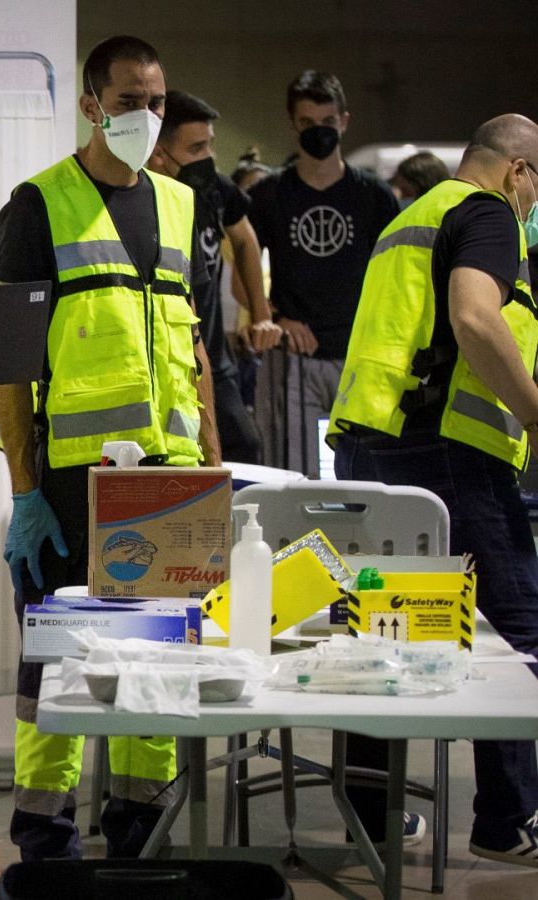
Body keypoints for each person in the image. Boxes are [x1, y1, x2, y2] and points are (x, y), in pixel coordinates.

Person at [0, 35, 222, 861]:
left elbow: (194, 351)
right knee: (57, 667)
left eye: (157, 100)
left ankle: (140, 829)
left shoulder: (181, 201)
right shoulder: (39, 203)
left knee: (155, 666)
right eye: (129, 101)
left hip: (169, 479)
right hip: (71, 483)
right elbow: (12, 367)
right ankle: (44, 836)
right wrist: (22, 488)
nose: (146, 115)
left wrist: (210, 466)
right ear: (91, 104)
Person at [327, 114, 538, 866]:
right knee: (517, 631)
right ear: (517, 172)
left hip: (370, 445)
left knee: (383, 632)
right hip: (446, 453)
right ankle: (508, 822)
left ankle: (371, 819)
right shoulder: (486, 213)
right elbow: (475, 317)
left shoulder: (410, 218)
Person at [247, 70, 399, 476]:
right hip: (295, 356)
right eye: (308, 123)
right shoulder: (270, 194)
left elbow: (394, 276)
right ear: (293, 124)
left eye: (328, 123)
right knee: (296, 476)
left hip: (359, 353)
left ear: (344, 121)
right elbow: (241, 273)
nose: (320, 132)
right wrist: (275, 318)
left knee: (367, 473)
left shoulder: (373, 194)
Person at [148, 90, 282, 464]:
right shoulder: (142, 199)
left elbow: (245, 241)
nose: (208, 158)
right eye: (196, 149)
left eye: (210, 146)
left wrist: (261, 314)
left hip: (214, 361)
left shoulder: (215, 190)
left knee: (244, 448)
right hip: (163, 365)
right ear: (160, 152)